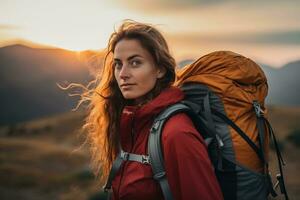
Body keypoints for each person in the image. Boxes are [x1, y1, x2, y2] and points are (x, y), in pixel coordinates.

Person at [83, 20, 223, 200]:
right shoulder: (131, 124)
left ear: (160, 70)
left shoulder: (177, 133)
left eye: (135, 63)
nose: (123, 74)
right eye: (118, 64)